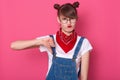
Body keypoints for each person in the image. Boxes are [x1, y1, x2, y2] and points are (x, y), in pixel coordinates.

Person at [11, 1, 93, 80]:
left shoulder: (83, 43)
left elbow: (84, 77)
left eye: (72, 19)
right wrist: (39, 41)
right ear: (58, 19)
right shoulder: (49, 40)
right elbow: (14, 45)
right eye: (64, 19)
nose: (69, 23)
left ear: (77, 19)